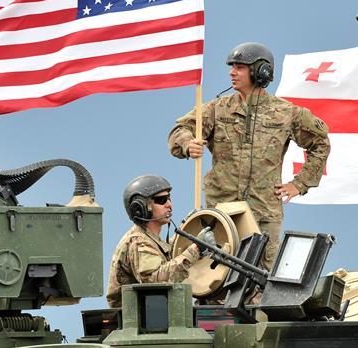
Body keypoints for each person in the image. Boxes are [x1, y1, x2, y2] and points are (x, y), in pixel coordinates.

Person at [168, 42, 330, 270]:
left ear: (260, 72)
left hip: (263, 215)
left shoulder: (287, 113)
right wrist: (187, 144)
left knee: (261, 281)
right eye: (232, 66)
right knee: (218, 278)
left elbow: (320, 143)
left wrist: (300, 183)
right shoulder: (217, 109)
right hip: (222, 214)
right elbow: (180, 129)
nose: (232, 72)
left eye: (239, 67)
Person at [105, 174, 213, 308]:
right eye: (161, 200)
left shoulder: (151, 239)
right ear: (141, 208)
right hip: (138, 320)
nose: (169, 205)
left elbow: (168, 253)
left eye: (169, 198)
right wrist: (195, 249)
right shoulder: (138, 242)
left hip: (152, 314)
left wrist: (189, 232)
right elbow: (154, 282)